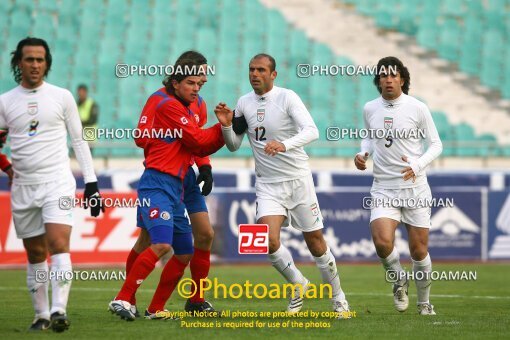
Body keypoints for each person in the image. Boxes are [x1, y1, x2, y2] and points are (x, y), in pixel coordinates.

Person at [215, 53, 351, 318]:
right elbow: (233, 145)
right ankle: (299, 284)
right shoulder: (243, 103)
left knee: (315, 242)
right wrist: (227, 126)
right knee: (268, 239)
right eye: (251, 69)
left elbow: (312, 131)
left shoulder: (287, 97)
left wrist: (284, 144)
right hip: (268, 184)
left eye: (261, 70)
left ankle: (338, 297)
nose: (255, 74)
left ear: (273, 74)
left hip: (298, 180)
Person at [0, 37, 104, 332]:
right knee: (34, 254)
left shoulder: (61, 97)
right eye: (29, 59)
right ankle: (41, 315)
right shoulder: (5, 102)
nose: (35, 65)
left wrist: (91, 184)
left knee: (58, 244)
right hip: (23, 187)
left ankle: (59, 310)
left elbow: (79, 140)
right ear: (18, 62)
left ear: (47, 64)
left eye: (40, 60)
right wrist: (6, 166)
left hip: (57, 182)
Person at [108, 58, 225, 321]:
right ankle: (127, 298)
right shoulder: (160, 101)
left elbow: (197, 140)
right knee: (151, 241)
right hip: (162, 177)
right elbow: (142, 137)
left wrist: (204, 166)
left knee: (202, 235)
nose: (199, 86)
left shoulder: (199, 103)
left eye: (202, 80)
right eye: (194, 81)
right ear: (178, 79)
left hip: (186, 176)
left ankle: (193, 300)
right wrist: (166, 141)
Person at [354, 56, 442, 315]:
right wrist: (363, 154)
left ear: (402, 79)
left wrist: (417, 165)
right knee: (382, 243)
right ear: (378, 81)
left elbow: (436, 145)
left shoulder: (417, 108)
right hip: (383, 187)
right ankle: (399, 280)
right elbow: (369, 138)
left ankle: (424, 303)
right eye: (383, 75)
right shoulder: (370, 108)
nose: (388, 79)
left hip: (415, 187)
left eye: (393, 75)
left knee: (418, 250)